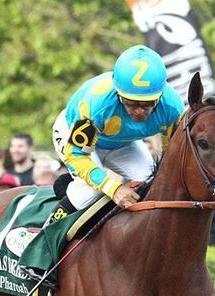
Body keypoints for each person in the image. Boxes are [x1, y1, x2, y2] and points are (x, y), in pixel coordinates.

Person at [47, 45, 184, 225]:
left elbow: (170, 159)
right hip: (72, 136)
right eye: (131, 102)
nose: (139, 111)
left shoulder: (173, 108)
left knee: (153, 183)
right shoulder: (97, 105)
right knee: (90, 192)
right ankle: (45, 232)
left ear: (160, 95)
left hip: (122, 144)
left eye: (148, 104)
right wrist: (113, 188)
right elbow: (78, 156)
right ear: (118, 94)